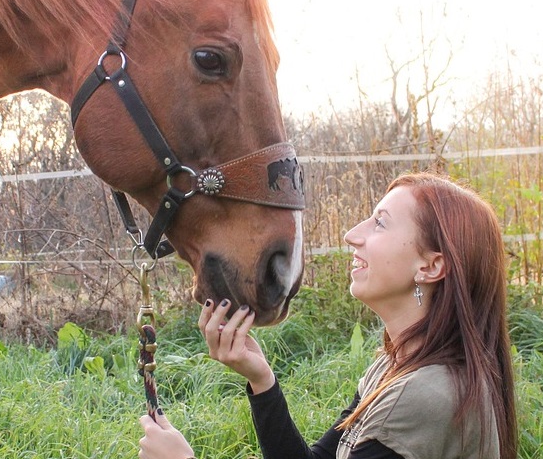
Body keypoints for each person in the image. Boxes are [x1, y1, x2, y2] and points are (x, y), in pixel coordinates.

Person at [139, 172, 517, 459]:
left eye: (380, 223)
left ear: (431, 267)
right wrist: (261, 378)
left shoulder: (423, 398)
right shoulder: (396, 367)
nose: (353, 234)